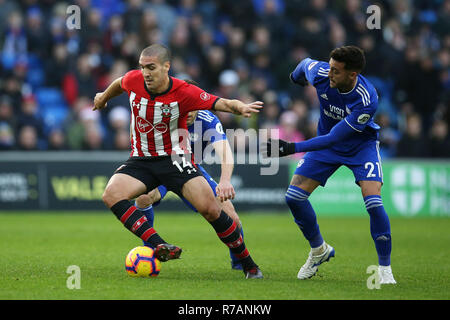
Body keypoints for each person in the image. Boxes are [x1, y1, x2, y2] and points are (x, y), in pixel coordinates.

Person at [93, 44, 263, 279]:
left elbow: (221, 103)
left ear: (166, 67)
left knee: (212, 210)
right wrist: (103, 97)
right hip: (142, 160)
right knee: (111, 194)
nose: (146, 73)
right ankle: (158, 245)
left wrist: (239, 106)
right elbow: (119, 82)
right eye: (143, 67)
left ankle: (248, 264)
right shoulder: (134, 80)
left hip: (176, 160)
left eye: (151, 67)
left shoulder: (184, 92)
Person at [266, 46, 396, 284]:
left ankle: (385, 269)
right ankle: (319, 250)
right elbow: (304, 63)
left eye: (336, 71)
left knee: (373, 202)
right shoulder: (321, 72)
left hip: (359, 147)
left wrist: (291, 148)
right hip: (326, 147)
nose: (330, 74)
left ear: (352, 75)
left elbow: (336, 137)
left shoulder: (367, 99)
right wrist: (296, 79)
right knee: (294, 197)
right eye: (330, 67)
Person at [134, 88, 245, 270]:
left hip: (190, 171)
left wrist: (225, 180)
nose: (190, 112)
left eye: (194, 107)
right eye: (187, 107)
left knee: (231, 217)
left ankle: (240, 261)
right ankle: (150, 250)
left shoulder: (207, 120)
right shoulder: (162, 115)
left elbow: (225, 152)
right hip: (161, 167)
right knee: (143, 196)